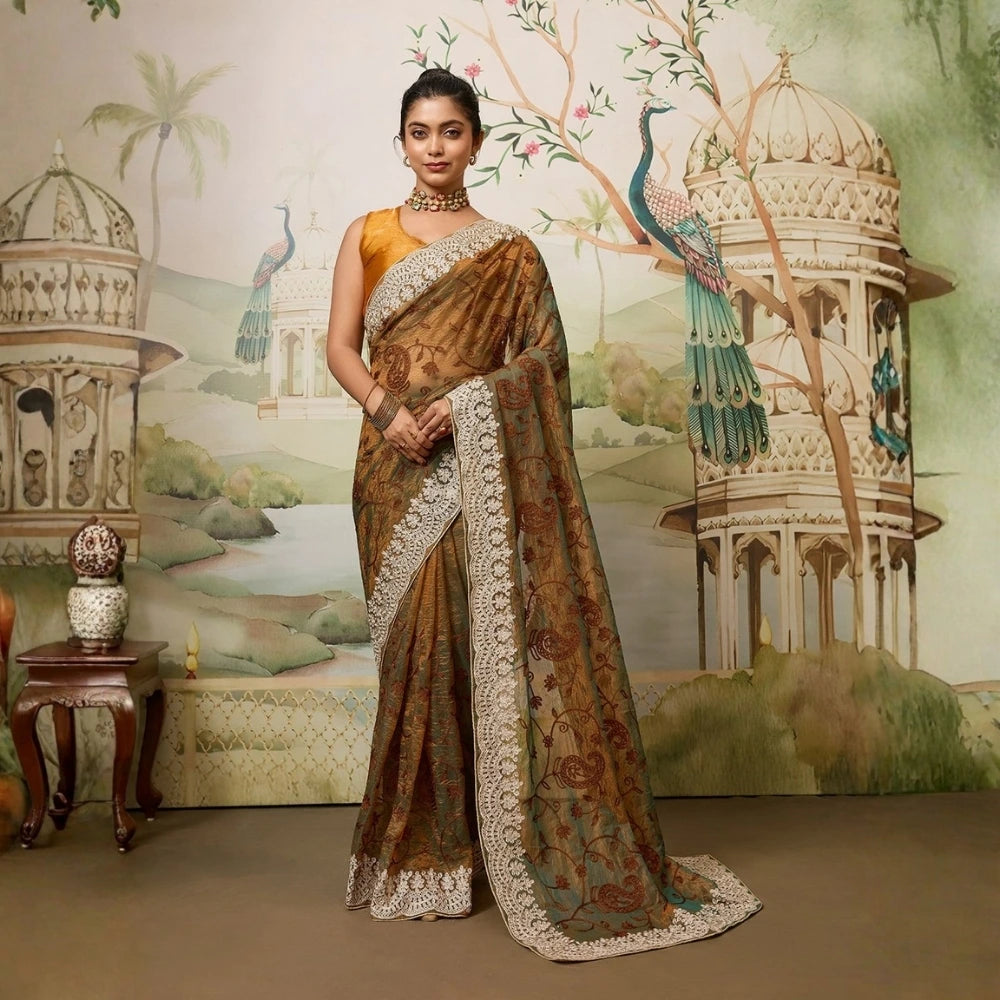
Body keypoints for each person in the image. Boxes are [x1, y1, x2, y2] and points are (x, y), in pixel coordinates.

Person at [326, 67, 760, 961]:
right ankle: (409, 853)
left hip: (466, 468)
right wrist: (388, 413)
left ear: (476, 142)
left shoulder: (512, 253)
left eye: (451, 131)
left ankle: (468, 848)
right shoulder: (366, 235)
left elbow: (544, 367)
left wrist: (467, 407)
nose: (435, 147)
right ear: (401, 141)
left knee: (466, 648)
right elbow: (338, 344)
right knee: (411, 656)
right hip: (390, 474)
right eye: (419, 131)